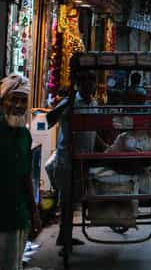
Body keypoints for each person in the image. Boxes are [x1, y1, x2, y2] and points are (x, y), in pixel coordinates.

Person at [49, 70, 104, 249]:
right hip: (68, 158)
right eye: (85, 81)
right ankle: (64, 241)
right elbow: (50, 119)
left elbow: (93, 132)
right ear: (78, 84)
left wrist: (106, 147)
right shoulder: (71, 102)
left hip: (84, 158)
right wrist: (66, 105)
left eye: (92, 80)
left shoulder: (94, 103)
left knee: (74, 200)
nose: (89, 84)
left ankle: (66, 236)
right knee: (67, 201)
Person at [0, 82, 41, 270]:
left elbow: (26, 176)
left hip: (19, 215)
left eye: (23, 101)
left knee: (14, 264)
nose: (18, 105)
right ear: (3, 102)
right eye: (13, 99)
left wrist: (34, 213)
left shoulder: (25, 135)